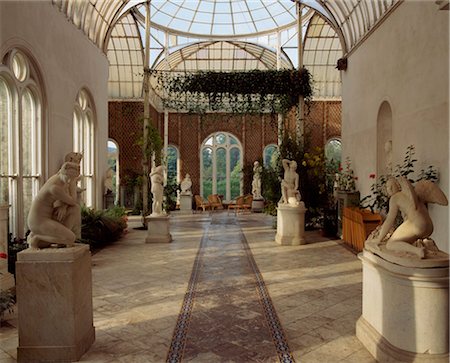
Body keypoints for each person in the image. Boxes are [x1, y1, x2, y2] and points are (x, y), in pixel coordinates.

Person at [369, 176, 447, 258]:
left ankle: (418, 251)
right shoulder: (413, 194)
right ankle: (425, 248)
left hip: (417, 225)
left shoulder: (395, 198)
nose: (390, 189)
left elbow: (389, 220)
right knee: (406, 238)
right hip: (429, 227)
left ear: (398, 186)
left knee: (390, 244)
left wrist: (379, 239)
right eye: (388, 187)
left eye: (392, 186)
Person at [27, 161, 80, 249]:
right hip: (38, 221)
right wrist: (73, 183)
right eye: (69, 177)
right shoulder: (55, 188)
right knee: (71, 238)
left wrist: (64, 206)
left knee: (75, 209)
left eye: (73, 178)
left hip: (48, 217)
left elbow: (69, 202)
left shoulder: (60, 179)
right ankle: (36, 238)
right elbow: (73, 200)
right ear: (63, 173)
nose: (70, 181)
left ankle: (62, 239)